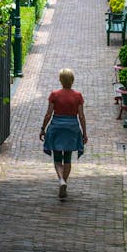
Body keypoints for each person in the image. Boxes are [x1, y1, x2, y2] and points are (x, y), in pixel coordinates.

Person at [39, 68, 87, 199]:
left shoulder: (54, 95)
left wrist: (43, 128)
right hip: (72, 128)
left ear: (60, 80)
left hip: (57, 127)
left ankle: (61, 180)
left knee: (57, 157)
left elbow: (49, 114)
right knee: (68, 158)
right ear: (72, 80)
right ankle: (64, 182)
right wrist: (84, 133)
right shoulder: (78, 96)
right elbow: (81, 116)